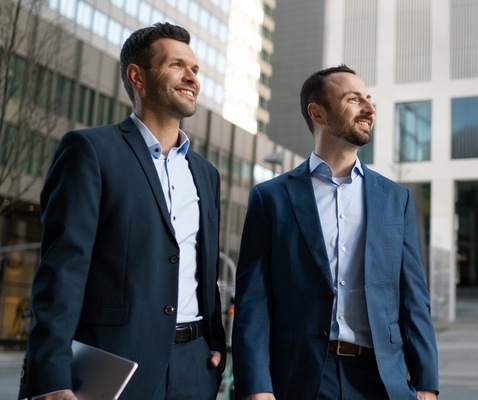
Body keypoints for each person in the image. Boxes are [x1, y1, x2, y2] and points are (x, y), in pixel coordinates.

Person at [18, 22, 226, 400]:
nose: (191, 77)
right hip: (112, 369)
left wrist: (214, 345)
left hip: (194, 371)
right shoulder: (90, 151)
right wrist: (51, 377)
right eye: (177, 65)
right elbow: (63, 271)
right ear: (137, 76)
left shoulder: (206, 174)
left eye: (195, 70)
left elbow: (203, 270)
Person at [232, 65, 439, 400]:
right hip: (300, 379)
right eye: (353, 99)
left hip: (382, 380)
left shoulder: (396, 198)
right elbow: (253, 301)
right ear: (318, 113)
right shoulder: (271, 198)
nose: (369, 109)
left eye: (369, 100)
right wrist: (256, 386)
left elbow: (413, 296)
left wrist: (426, 382)